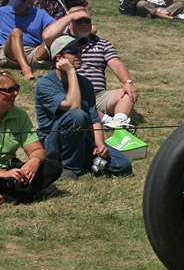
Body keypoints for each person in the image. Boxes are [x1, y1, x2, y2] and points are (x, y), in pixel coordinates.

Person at [35, 35, 132, 178]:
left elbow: (94, 119)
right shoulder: (45, 84)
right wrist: (71, 72)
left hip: (81, 136)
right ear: (59, 58)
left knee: (123, 166)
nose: (79, 54)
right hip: (53, 140)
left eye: (80, 51)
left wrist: (100, 145)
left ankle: (84, 159)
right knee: (77, 115)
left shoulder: (85, 84)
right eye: (73, 52)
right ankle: (70, 168)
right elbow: (73, 106)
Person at [65, 8, 139, 128]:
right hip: (75, 92)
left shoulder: (102, 43)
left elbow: (116, 64)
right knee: (76, 100)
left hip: (99, 95)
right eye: (78, 21)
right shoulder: (62, 43)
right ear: (69, 23)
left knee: (127, 93)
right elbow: (47, 35)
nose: (84, 24)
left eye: (87, 21)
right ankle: (107, 121)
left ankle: (118, 122)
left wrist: (128, 82)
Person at [0, 71, 62, 203]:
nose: (15, 94)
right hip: (3, 174)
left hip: (10, 170)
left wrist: (33, 162)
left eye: (16, 89)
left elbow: (36, 150)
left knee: (53, 167)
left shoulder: (19, 114)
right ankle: (19, 194)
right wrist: (2, 174)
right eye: (9, 90)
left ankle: (6, 196)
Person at [0, 0, 84, 80]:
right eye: (14, 3)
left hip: (33, 52)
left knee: (52, 36)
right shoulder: (2, 12)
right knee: (16, 32)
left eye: (19, 4)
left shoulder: (39, 14)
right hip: (9, 52)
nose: (16, 7)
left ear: (28, 2)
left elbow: (55, 27)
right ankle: (26, 69)